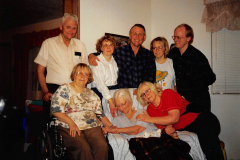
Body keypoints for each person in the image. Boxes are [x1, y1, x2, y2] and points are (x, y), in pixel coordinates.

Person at [103, 89, 203, 160]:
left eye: (123, 103)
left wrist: (117, 130)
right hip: (138, 142)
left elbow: (137, 129)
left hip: (154, 137)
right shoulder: (116, 120)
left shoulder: (141, 112)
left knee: (172, 150)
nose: (121, 108)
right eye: (118, 105)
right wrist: (111, 128)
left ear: (129, 100)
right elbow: (112, 128)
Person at [137, 81, 224, 160]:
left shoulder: (167, 93)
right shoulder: (150, 110)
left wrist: (150, 119)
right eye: (143, 94)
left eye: (147, 91)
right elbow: (162, 127)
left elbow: (174, 118)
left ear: (153, 89)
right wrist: (165, 130)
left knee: (211, 150)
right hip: (187, 128)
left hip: (201, 119)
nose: (146, 95)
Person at [34, 13, 89, 125]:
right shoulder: (48, 43)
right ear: (61, 26)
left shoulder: (80, 45)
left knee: (74, 124)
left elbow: (85, 71)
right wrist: (45, 91)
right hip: (54, 91)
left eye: (74, 28)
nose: (71, 30)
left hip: (76, 91)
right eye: (68, 27)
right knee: (51, 125)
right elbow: (40, 71)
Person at [51, 63, 113, 160]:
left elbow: (100, 114)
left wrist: (111, 127)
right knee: (83, 148)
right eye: (79, 73)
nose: (82, 76)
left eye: (86, 74)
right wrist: (71, 123)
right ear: (74, 75)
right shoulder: (64, 89)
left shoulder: (92, 94)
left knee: (102, 146)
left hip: (91, 125)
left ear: (89, 78)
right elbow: (55, 110)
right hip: (68, 124)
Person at [88, 24, 156, 91]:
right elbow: (105, 54)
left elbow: (151, 77)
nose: (137, 37)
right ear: (129, 35)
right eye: (134, 34)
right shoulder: (119, 51)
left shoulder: (149, 55)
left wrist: (141, 90)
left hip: (142, 94)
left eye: (140, 34)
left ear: (144, 37)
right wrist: (91, 55)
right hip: (123, 95)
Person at [168, 23, 216, 112]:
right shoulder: (173, 53)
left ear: (188, 38)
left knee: (201, 125)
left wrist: (194, 86)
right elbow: (161, 61)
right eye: (174, 37)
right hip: (181, 100)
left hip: (198, 101)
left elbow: (211, 78)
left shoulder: (198, 56)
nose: (175, 40)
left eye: (179, 37)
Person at [90, 35, 119, 117]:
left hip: (114, 91)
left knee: (114, 118)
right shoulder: (96, 61)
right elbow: (100, 84)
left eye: (111, 45)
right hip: (100, 93)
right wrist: (110, 101)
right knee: (103, 119)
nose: (108, 47)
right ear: (101, 48)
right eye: (105, 45)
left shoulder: (115, 61)